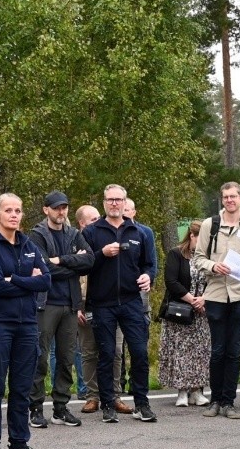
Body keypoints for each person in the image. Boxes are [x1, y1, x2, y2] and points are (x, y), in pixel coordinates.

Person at [0, 194, 52, 449]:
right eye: (8, 210)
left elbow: (46, 280)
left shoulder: (29, 245)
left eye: (18, 210)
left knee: (22, 388)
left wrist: (15, 280)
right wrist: (27, 281)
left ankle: (19, 444)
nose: (14, 215)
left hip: (27, 325)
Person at [82, 184, 158, 424]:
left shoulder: (140, 232)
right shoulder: (91, 232)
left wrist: (148, 277)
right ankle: (108, 405)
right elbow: (82, 265)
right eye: (110, 200)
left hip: (132, 301)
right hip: (102, 303)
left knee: (139, 353)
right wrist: (101, 254)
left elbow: (150, 264)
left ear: (125, 203)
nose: (114, 203)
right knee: (107, 354)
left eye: (118, 199)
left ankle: (142, 404)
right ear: (104, 203)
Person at [193, 182, 240, 418]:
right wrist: (213, 266)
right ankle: (215, 400)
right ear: (222, 199)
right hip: (216, 294)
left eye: (233, 196)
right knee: (218, 350)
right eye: (226, 196)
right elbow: (198, 258)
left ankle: (228, 402)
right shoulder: (210, 224)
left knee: (234, 351)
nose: (230, 200)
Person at [26, 191, 94, 429]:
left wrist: (61, 260)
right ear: (46, 209)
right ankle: (35, 407)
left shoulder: (74, 233)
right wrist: (73, 261)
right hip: (45, 304)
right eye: (56, 208)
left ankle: (60, 407)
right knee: (40, 357)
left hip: (70, 304)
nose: (61, 212)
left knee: (66, 358)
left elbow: (90, 261)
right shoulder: (36, 235)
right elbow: (43, 268)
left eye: (64, 207)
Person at [158, 221, 212, 406]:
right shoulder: (176, 254)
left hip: (202, 312)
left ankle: (197, 391)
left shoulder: (209, 257)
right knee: (180, 352)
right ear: (192, 236)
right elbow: (171, 281)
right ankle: (181, 391)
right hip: (180, 310)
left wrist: (204, 299)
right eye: (200, 238)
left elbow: (215, 282)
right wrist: (192, 300)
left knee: (200, 352)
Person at [74, 205, 102, 414]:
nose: (97, 222)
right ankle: (92, 395)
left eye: (98, 218)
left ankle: (113, 394)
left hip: (106, 303)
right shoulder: (72, 243)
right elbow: (70, 278)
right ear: (82, 223)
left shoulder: (105, 238)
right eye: (93, 219)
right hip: (83, 305)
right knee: (88, 352)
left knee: (114, 351)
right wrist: (77, 307)